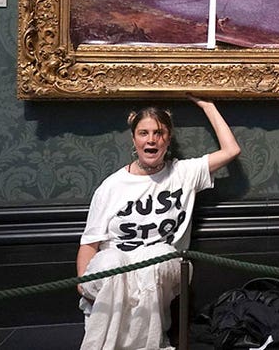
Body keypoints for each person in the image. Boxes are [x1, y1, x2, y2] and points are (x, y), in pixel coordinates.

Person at [76, 97, 241, 350]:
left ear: (168, 138)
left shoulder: (184, 173)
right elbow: (89, 244)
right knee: (112, 263)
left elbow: (231, 151)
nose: (151, 139)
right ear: (134, 140)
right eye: (143, 133)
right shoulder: (111, 187)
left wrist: (207, 105)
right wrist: (81, 284)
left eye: (158, 133)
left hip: (161, 268)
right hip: (115, 270)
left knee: (156, 256)